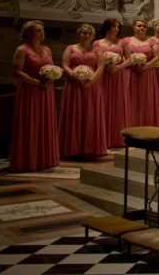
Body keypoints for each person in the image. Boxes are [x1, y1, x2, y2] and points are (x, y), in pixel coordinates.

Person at [10, 20, 60, 172]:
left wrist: (52, 78)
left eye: (42, 30)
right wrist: (34, 81)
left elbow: (51, 67)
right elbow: (17, 71)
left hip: (46, 91)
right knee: (30, 123)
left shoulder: (47, 49)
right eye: (38, 30)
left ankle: (44, 158)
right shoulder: (22, 49)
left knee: (45, 122)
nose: (42, 32)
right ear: (29, 33)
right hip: (30, 91)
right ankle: (28, 160)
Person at [59, 23, 106, 159]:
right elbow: (65, 65)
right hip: (74, 85)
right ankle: (71, 148)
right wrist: (75, 75)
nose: (87, 36)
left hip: (92, 86)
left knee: (90, 113)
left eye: (89, 34)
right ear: (79, 34)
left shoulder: (96, 50)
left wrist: (91, 81)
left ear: (93, 36)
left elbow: (100, 67)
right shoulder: (70, 48)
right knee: (74, 112)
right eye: (84, 33)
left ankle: (90, 147)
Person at [95, 18, 130, 148]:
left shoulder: (123, 42)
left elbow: (128, 60)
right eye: (113, 26)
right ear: (106, 28)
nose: (116, 29)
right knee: (102, 103)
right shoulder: (97, 43)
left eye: (117, 27)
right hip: (102, 76)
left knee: (117, 104)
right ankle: (101, 137)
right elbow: (95, 59)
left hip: (118, 76)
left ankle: (116, 137)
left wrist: (117, 67)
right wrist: (103, 66)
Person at [125, 19, 159, 127]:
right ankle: (129, 124)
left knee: (146, 100)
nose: (142, 28)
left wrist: (145, 66)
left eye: (144, 26)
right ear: (133, 27)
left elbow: (157, 57)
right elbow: (123, 56)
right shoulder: (126, 41)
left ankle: (146, 125)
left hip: (147, 74)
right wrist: (131, 64)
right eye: (139, 26)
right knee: (130, 98)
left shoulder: (152, 42)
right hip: (129, 73)